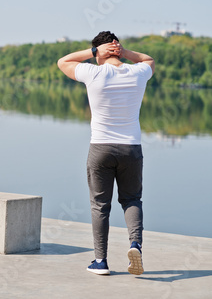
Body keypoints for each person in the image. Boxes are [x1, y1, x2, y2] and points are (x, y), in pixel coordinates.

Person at [57, 31, 155, 276]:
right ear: (117, 49)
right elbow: (148, 59)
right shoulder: (137, 73)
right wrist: (124, 52)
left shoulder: (94, 72)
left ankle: (100, 261)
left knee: (100, 206)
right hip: (131, 148)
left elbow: (63, 62)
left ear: (99, 53)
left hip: (100, 148)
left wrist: (94, 53)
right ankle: (136, 245)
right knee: (132, 199)